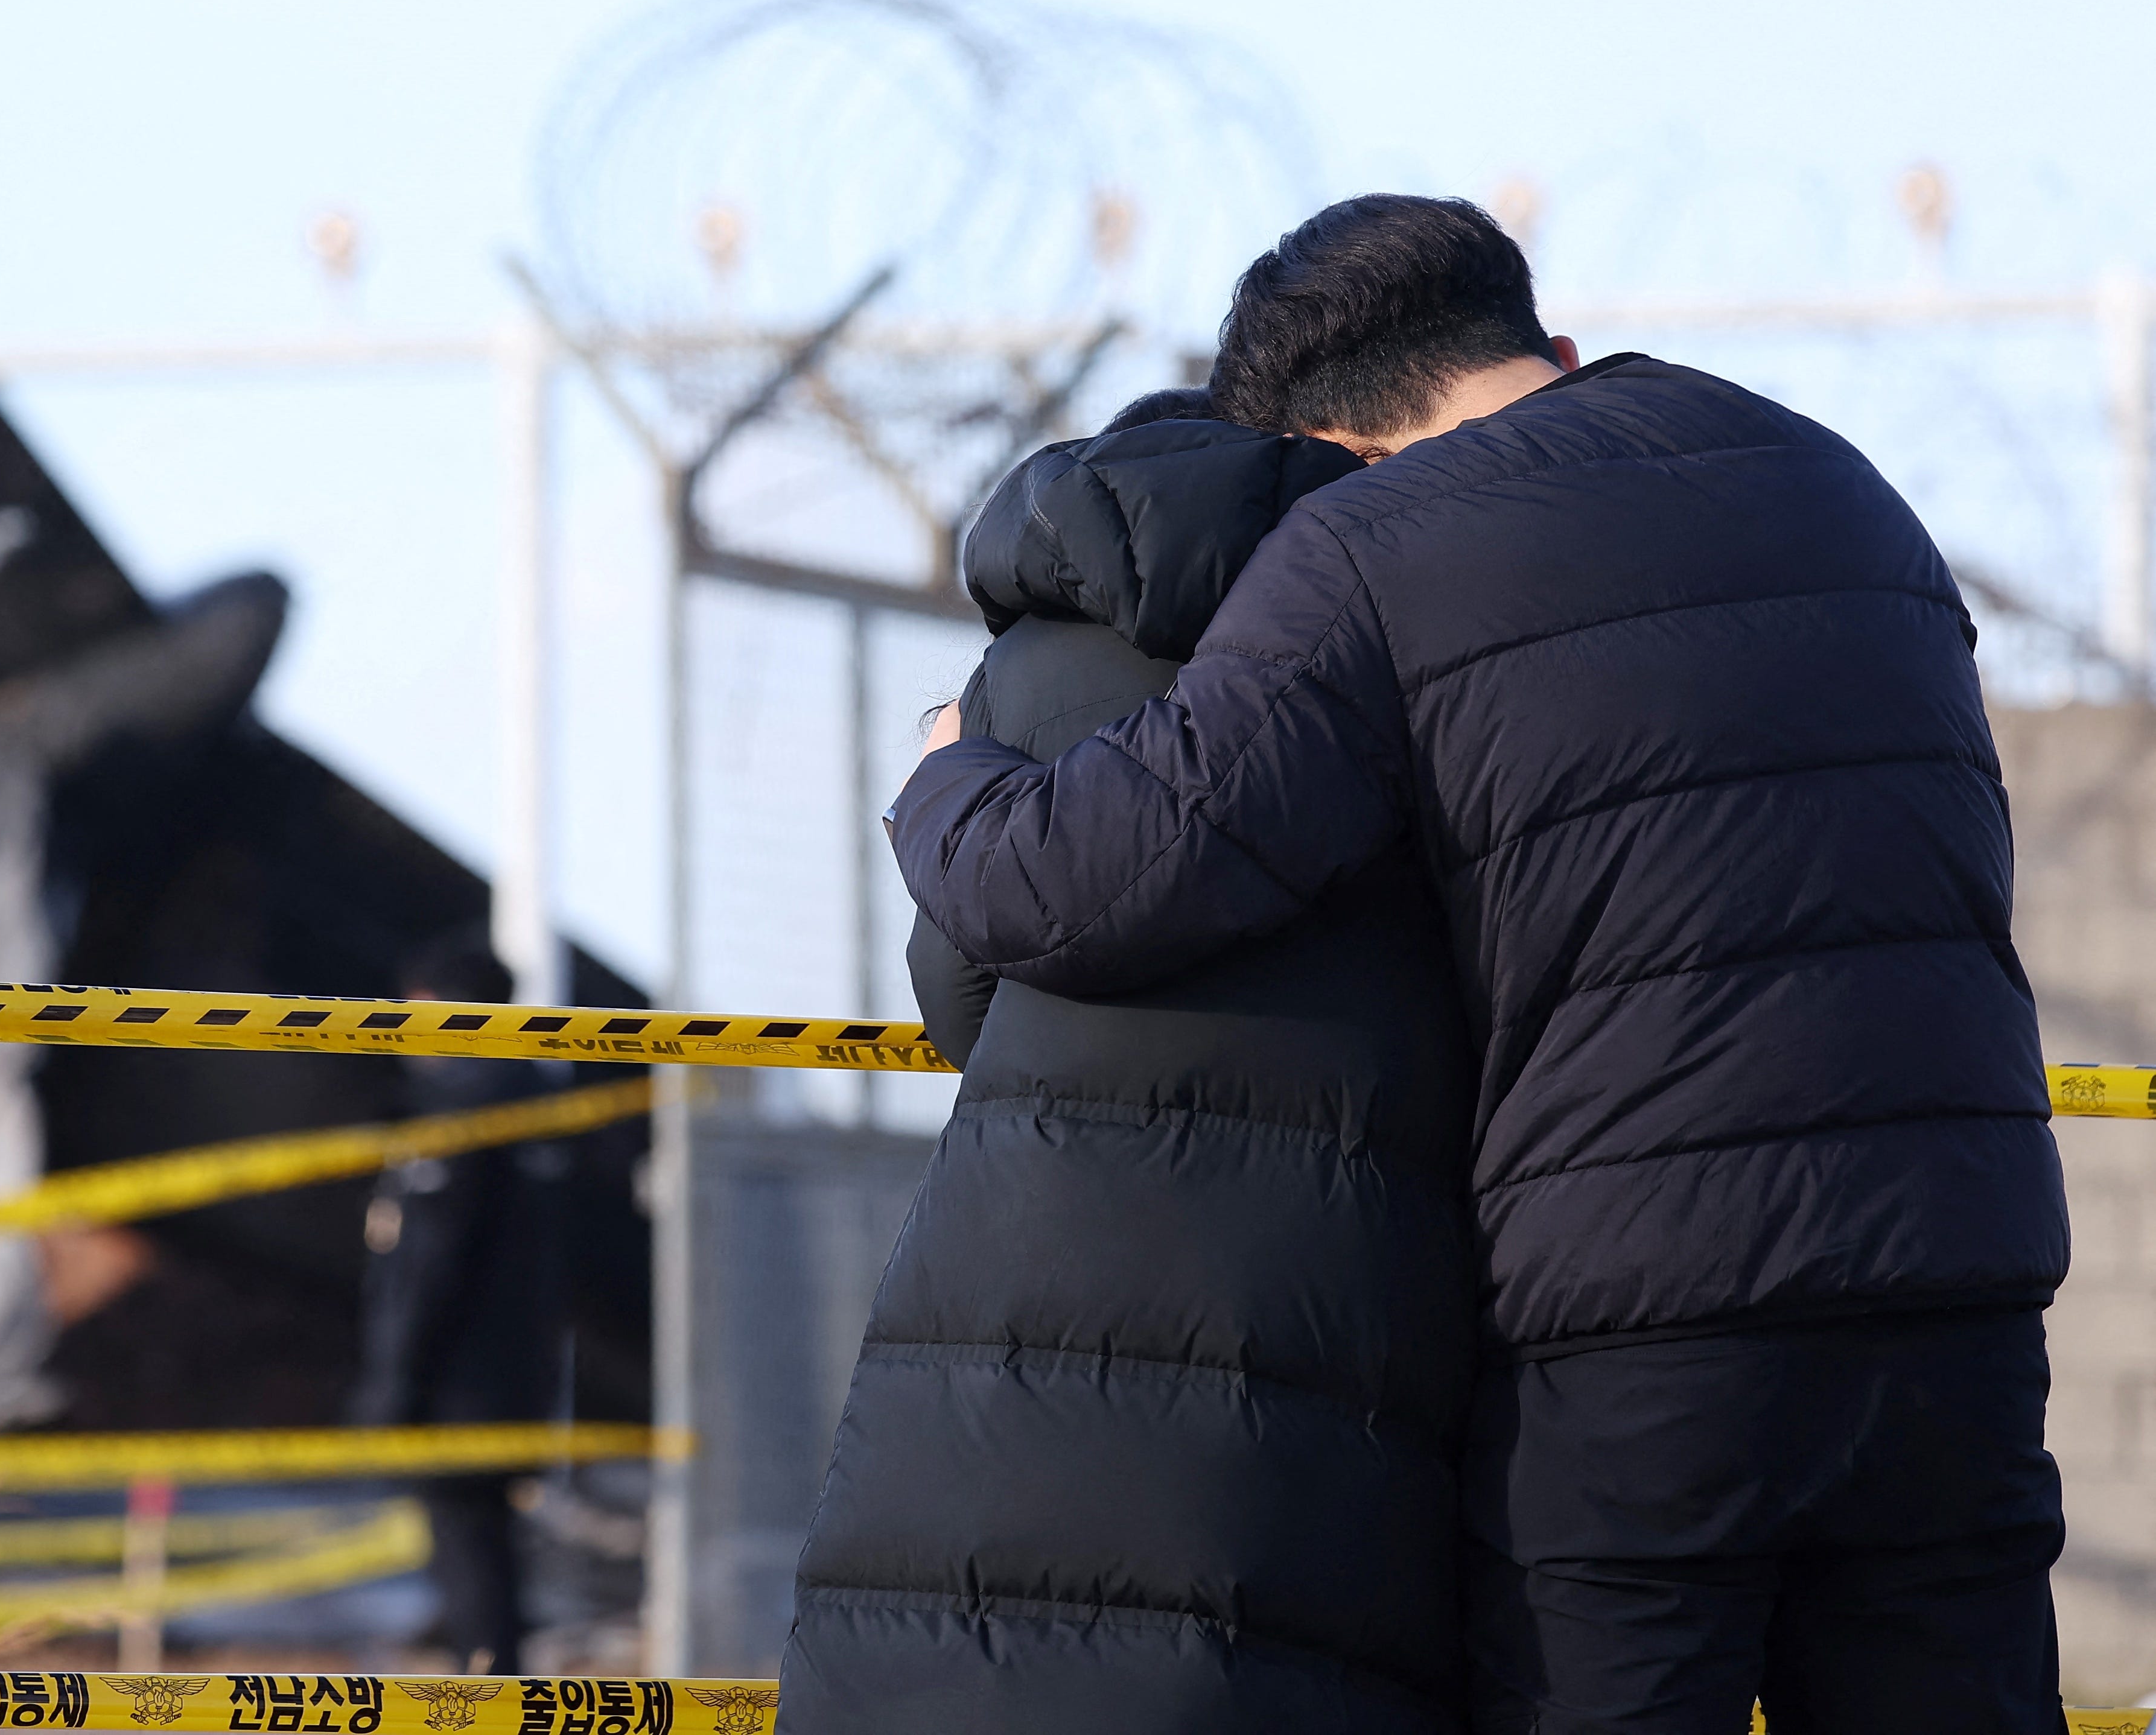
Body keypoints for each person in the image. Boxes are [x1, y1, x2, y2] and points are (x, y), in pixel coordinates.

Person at [889, 195, 2071, 1734]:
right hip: (1958, 1276)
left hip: (1648, 1313)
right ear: (1550, 348)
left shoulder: (1369, 546)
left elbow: (1093, 876)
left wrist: (941, 778)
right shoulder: (1830, 477)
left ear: (1326, 448)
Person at [783, 388, 1480, 1734]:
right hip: (1308, 1305)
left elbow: (956, 984)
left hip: (999, 1295)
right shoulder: (1405, 636)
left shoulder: (1028, 664)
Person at [352, 928, 564, 1672]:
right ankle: (488, 1668)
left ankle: (489, 1689)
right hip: (520, 1371)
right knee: (485, 1547)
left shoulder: (456, 1115)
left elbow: (430, 1264)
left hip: (458, 1383)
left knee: (470, 1544)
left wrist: (397, 1380)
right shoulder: (539, 1105)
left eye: (417, 1010)